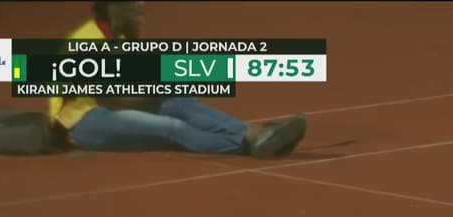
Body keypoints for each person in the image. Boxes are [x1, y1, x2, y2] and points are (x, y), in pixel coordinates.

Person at [48, 2, 305, 157]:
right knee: (172, 127)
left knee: (180, 101)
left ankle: (251, 133)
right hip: (83, 123)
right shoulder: (89, 41)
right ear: (116, 9)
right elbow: (114, 98)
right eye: (136, 9)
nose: (141, 14)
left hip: (107, 106)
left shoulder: (118, 38)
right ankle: (243, 144)